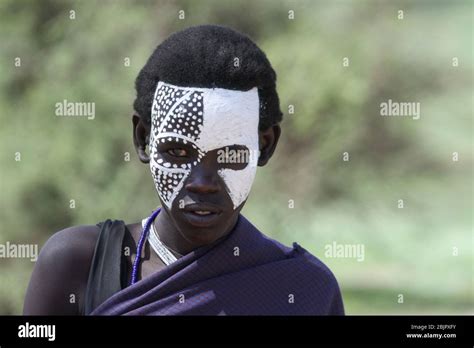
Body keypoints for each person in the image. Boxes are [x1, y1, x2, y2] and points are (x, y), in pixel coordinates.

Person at [23, 25, 344, 315]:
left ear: (266, 145)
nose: (203, 183)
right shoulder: (77, 263)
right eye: (178, 151)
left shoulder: (304, 289)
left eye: (230, 154)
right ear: (143, 139)